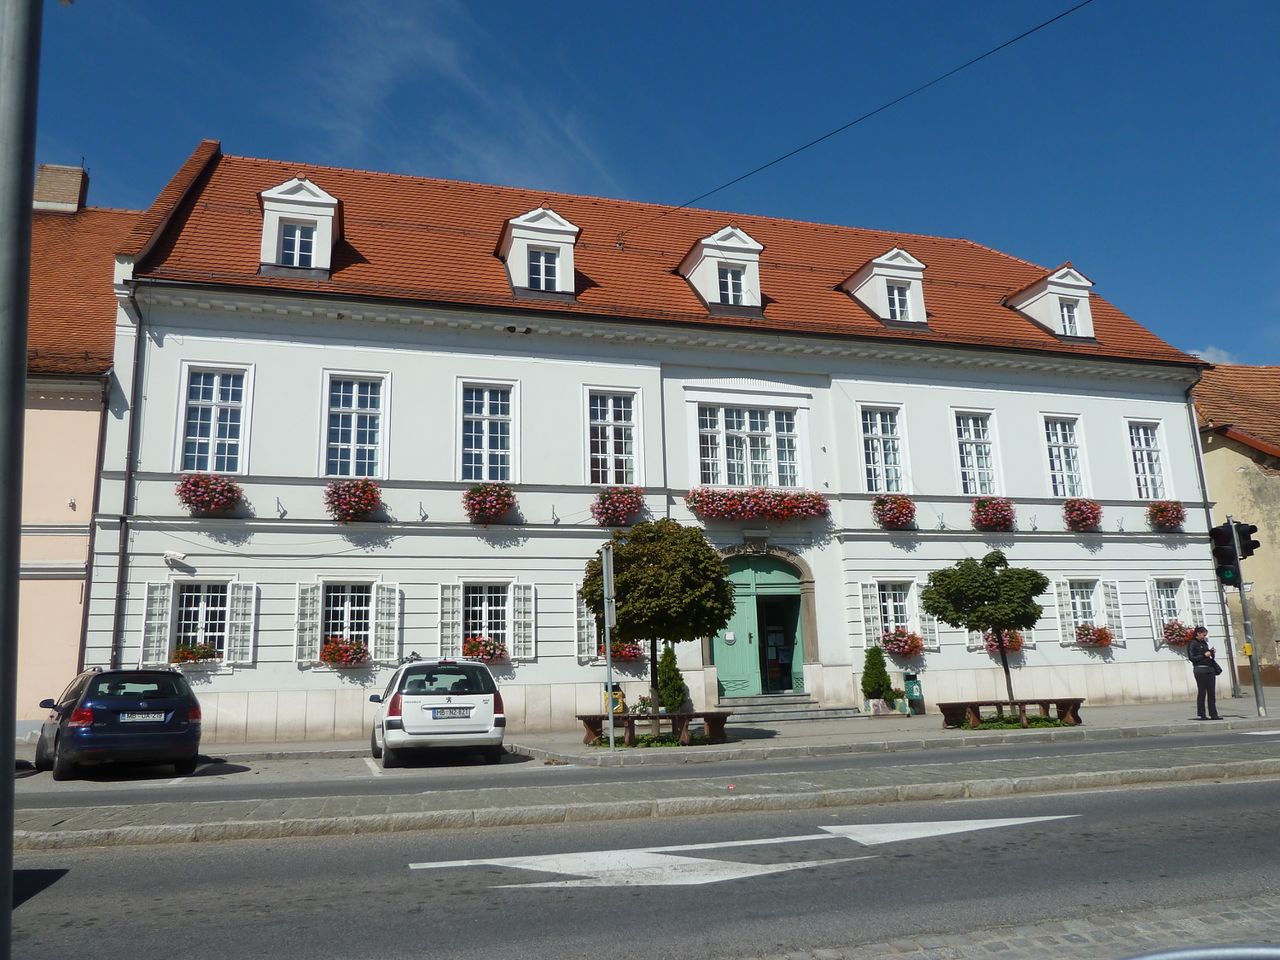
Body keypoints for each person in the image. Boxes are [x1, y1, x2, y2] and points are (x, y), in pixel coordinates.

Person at [1186, 625, 1222, 720]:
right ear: (1198, 633)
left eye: (1205, 635)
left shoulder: (1204, 643)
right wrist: (1204, 655)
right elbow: (1192, 658)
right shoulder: (1192, 643)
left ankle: (1213, 714)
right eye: (1203, 635)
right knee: (1202, 692)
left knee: (1211, 692)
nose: (1204, 637)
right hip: (1200, 670)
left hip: (1210, 669)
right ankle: (1202, 714)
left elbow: (1207, 655)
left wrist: (1211, 652)